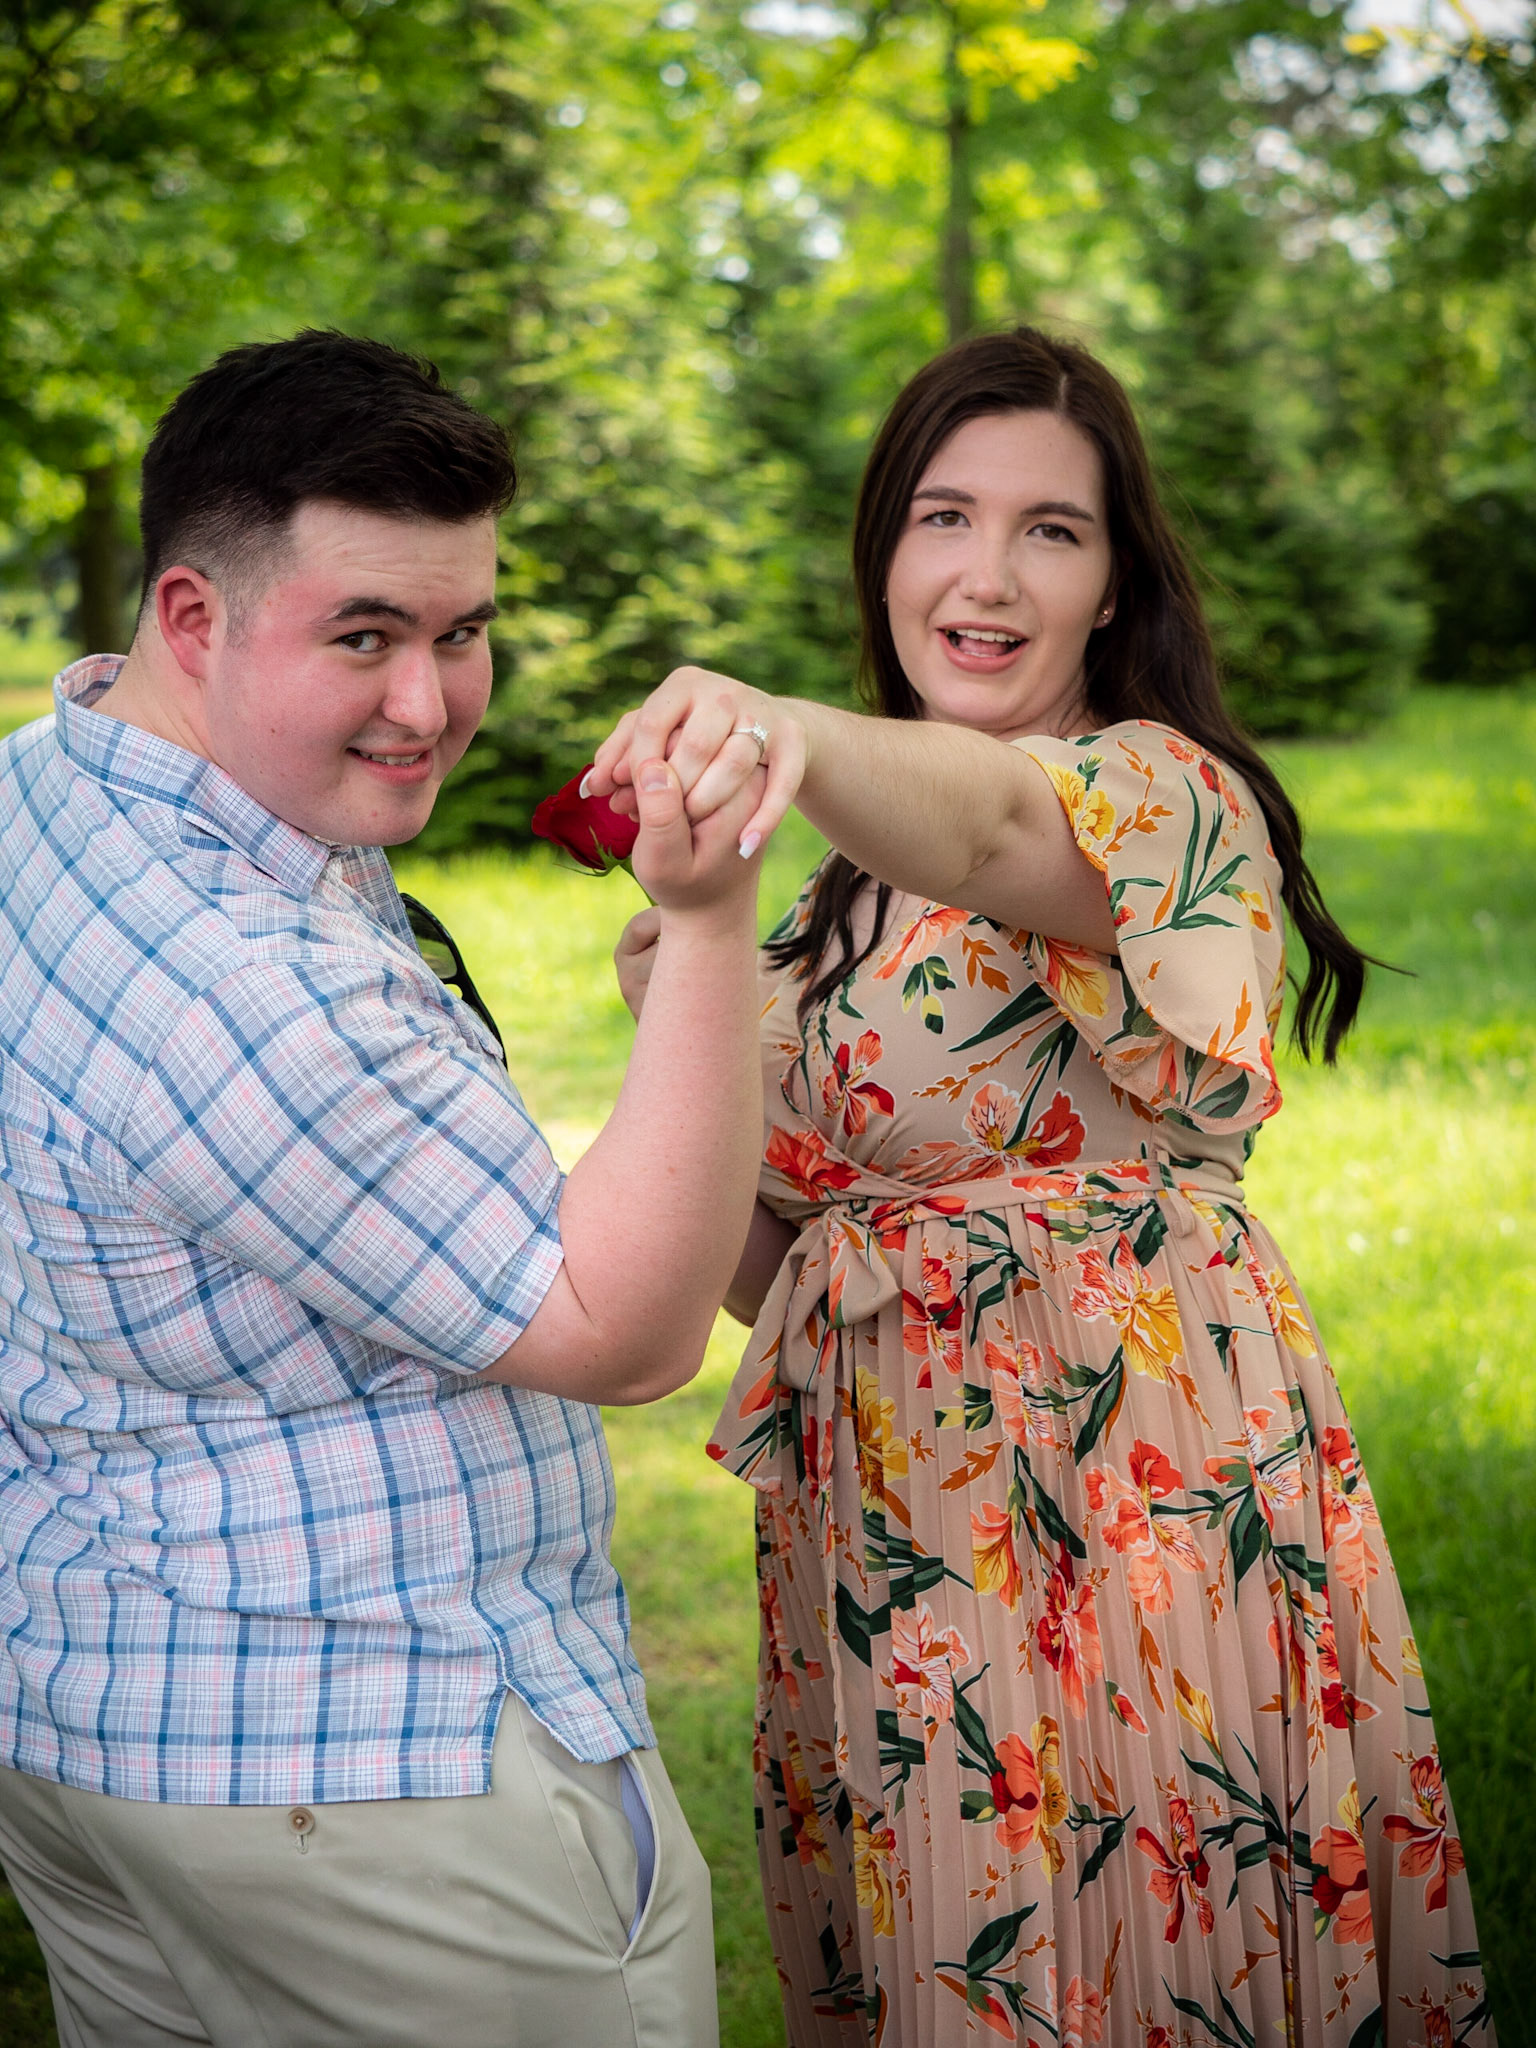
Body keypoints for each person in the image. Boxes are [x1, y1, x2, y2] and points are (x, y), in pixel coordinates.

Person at [596, 327, 1493, 2045]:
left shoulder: (1162, 796)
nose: (986, 576)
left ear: (1112, 583)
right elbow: (783, 1275)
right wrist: (692, 1012)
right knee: (954, 1956)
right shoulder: (829, 900)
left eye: (1050, 532)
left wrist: (781, 727)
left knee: (1140, 1942)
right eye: (943, 516)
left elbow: (1001, 829)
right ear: (885, 548)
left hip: (1125, 1487)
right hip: (889, 1513)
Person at [0, 331, 771, 2048]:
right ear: (192, 617)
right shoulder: (245, 986)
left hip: (97, 1726)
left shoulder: (44, 782)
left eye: (462, 630)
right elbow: (624, 1327)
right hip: (374, 1774)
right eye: (363, 636)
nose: (429, 705)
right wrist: (714, 928)